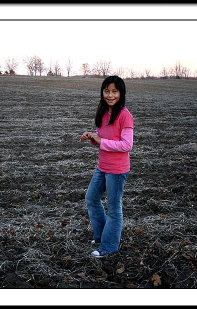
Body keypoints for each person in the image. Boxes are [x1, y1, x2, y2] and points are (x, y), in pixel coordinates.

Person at [80, 75, 134, 258]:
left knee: (113, 207)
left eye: (114, 91)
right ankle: (102, 235)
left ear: (121, 93)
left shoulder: (125, 116)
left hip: (117, 170)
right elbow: (101, 136)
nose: (110, 95)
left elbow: (127, 145)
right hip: (102, 166)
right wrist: (92, 137)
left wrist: (101, 140)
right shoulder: (103, 113)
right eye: (107, 91)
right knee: (91, 198)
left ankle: (109, 245)